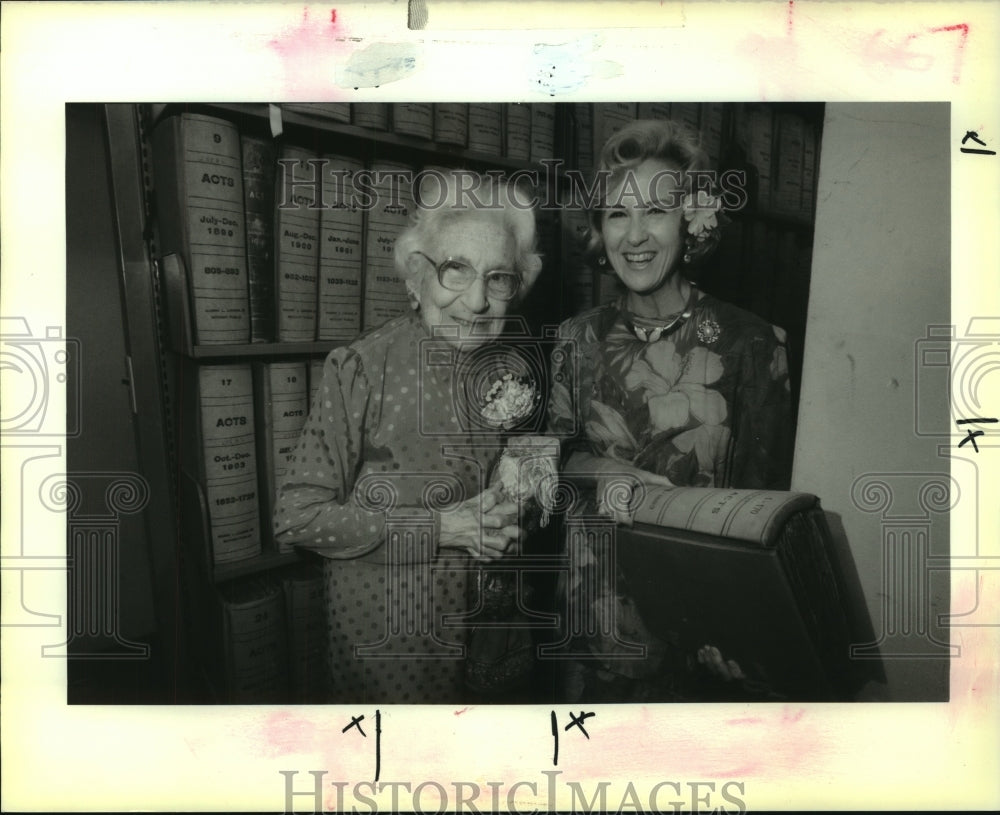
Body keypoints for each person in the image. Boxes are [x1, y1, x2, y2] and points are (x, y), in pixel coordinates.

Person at [273, 171, 546, 703]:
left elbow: (527, 482)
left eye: (498, 278)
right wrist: (443, 527)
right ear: (416, 277)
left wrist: (523, 503)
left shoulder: (518, 364)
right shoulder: (360, 368)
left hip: (494, 633)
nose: (477, 301)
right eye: (455, 270)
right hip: (397, 640)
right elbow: (297, 517)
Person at [547, 119, 794, 701]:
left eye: (656, 211)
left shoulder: (752, 344)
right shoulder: (575, 338)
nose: (636, 235)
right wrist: (609, 471)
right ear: (598, 231)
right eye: (616, 214)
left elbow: (767, 503)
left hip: (702, 624)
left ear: (691, 219)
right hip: (591, 619)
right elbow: (544, 467)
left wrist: (743, 629)